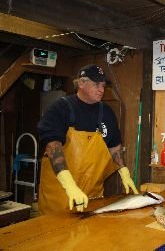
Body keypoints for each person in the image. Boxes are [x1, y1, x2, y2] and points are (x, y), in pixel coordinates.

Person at [37, 64, 138, 214]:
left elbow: (114, 147)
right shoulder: (60, 108)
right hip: (60, 196)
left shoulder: (107, 113)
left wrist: (124, 171)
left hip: (93, 196)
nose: (101, 89)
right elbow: (53, 147)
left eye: (103, 85)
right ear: (81, 83)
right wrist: (70, 186)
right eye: (96, 84)